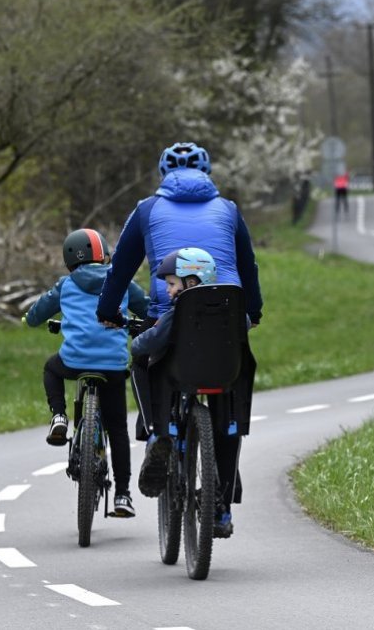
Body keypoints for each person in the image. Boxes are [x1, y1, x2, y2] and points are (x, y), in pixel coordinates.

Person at [96, 142, 262, 534]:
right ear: (208, 174)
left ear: (163, 176)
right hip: (228, 317)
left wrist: (107, 312)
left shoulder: (148, 209)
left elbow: (120, 268)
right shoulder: (229, 210)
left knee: (144, 358)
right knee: (232, 389)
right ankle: (222, 503)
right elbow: (248, 266)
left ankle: (158, 433)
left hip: (169, 313)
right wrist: (253, 311)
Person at [24, 228, 148, 518]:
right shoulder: (123, 282)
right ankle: (123, 495)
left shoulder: (66, 285)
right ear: (104, 255)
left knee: (51, 368)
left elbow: (36, 315)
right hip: (113, 365)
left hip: (75, 361)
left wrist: (30, 317)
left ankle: (59, 416)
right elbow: (146, 307)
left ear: (69, 261)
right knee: (117, 428)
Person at [131, 247, 244, 538]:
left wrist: (141, 335)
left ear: (191, 283)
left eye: (171, 284)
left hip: (181, 378)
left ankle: (156, 431)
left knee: (140, 365)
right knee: (226, 434)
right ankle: (221, 504)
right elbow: (244, 326)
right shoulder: (232, 310)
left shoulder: (176, 313)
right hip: (224, 381)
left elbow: (144, 346)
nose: (168, 291)